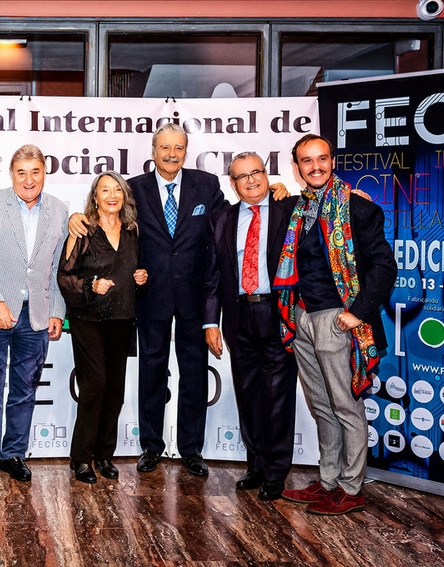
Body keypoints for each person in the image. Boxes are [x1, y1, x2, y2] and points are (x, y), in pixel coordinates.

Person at [70, 122, 224, 477]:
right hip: (147, 297)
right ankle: (151, 447)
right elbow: (104, 213)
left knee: (194, 375)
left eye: (179, 148)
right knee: (151, 374)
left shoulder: (207, 185)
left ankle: (191, 449)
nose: (172, 154)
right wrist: (76, 217)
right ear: (153, 152)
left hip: (193, 298)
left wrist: (277, 193)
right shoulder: (134, 189)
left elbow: (230, 217)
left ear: (186, 151)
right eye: (165, 148)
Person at [276, 134, 395, 515]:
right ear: (297, 168)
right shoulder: (299, 210)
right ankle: (328, 481)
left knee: (345, 406)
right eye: (307, 161)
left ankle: (351, 486)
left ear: (332, 161)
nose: (316, 167)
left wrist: (358, 312)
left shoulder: (358, 209)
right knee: (322, 406)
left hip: (338, 319)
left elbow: (384, 266)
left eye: (322, 159)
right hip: (303, 318)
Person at [0, 144, 68, 483]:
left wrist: (57, 309)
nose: (29, 180)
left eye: (35, 172)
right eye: (22, 172)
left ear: (44, 173)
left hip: (36, 316)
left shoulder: (59, 209)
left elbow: (58, 266)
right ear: (12, 174)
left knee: (25, 389)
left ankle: (14, 453)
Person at [203, 152, 299, 501]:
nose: (251, 180)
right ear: (233, 183)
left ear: (266, 174)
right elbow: (213, 277)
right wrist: (210, 322)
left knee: (277, 395)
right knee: (248, 395)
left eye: (256, 172)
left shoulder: (289, 210)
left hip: (278, 314)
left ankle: (276, 472)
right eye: (242, 176)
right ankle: (255, 466)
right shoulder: (221, 219)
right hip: (238, 317)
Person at [58, 171, 148, 484]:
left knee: (114, 390)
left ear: (124, 196)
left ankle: (104, 455)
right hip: (88, 320)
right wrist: (91, 285)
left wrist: (141, 278)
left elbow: (134, 270)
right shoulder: (83, 229)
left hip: (122, 318)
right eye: (104, 190)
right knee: (94, 386)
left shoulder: (132, 230)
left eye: (117, 190)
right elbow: (65, 276)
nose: (111, 196)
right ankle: (81, 459)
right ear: (95, 197)